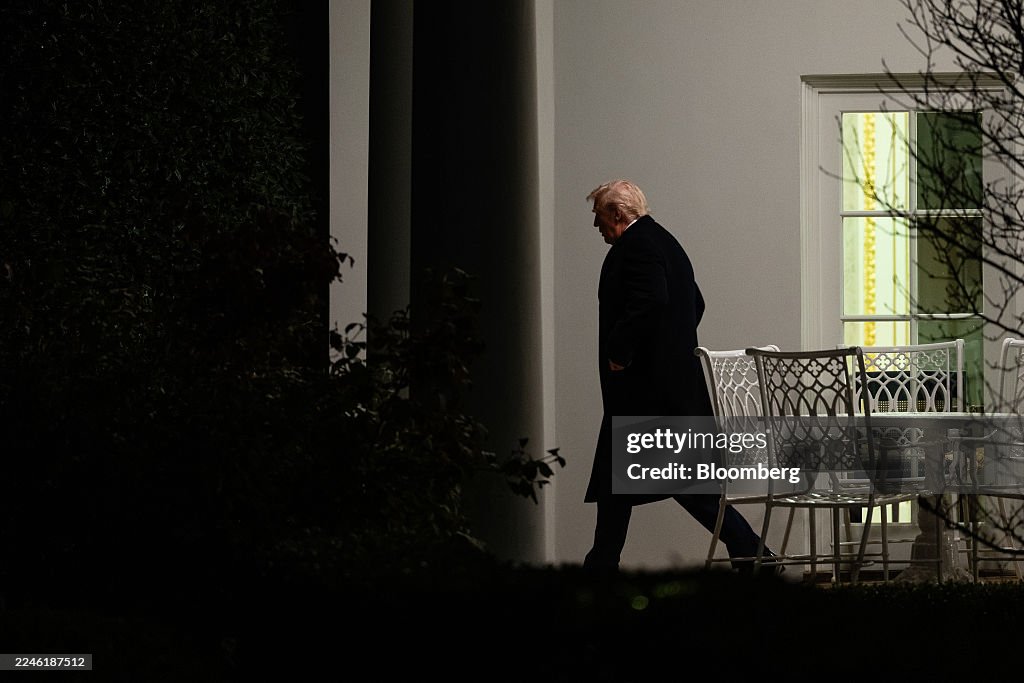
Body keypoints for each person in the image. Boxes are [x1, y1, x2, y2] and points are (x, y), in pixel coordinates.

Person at [582, 179, 778, 575]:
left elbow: (651, 299)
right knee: (624, 482)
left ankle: (753, 553)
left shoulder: (636, 246)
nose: (596, 225)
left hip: (647, 391)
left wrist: (621, 352)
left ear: (617, 214)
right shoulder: (665, 242)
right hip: (666, 387)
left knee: (674, 482)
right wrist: (671, 345)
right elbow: (694, 302)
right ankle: (601, 565)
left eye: (599, 215)